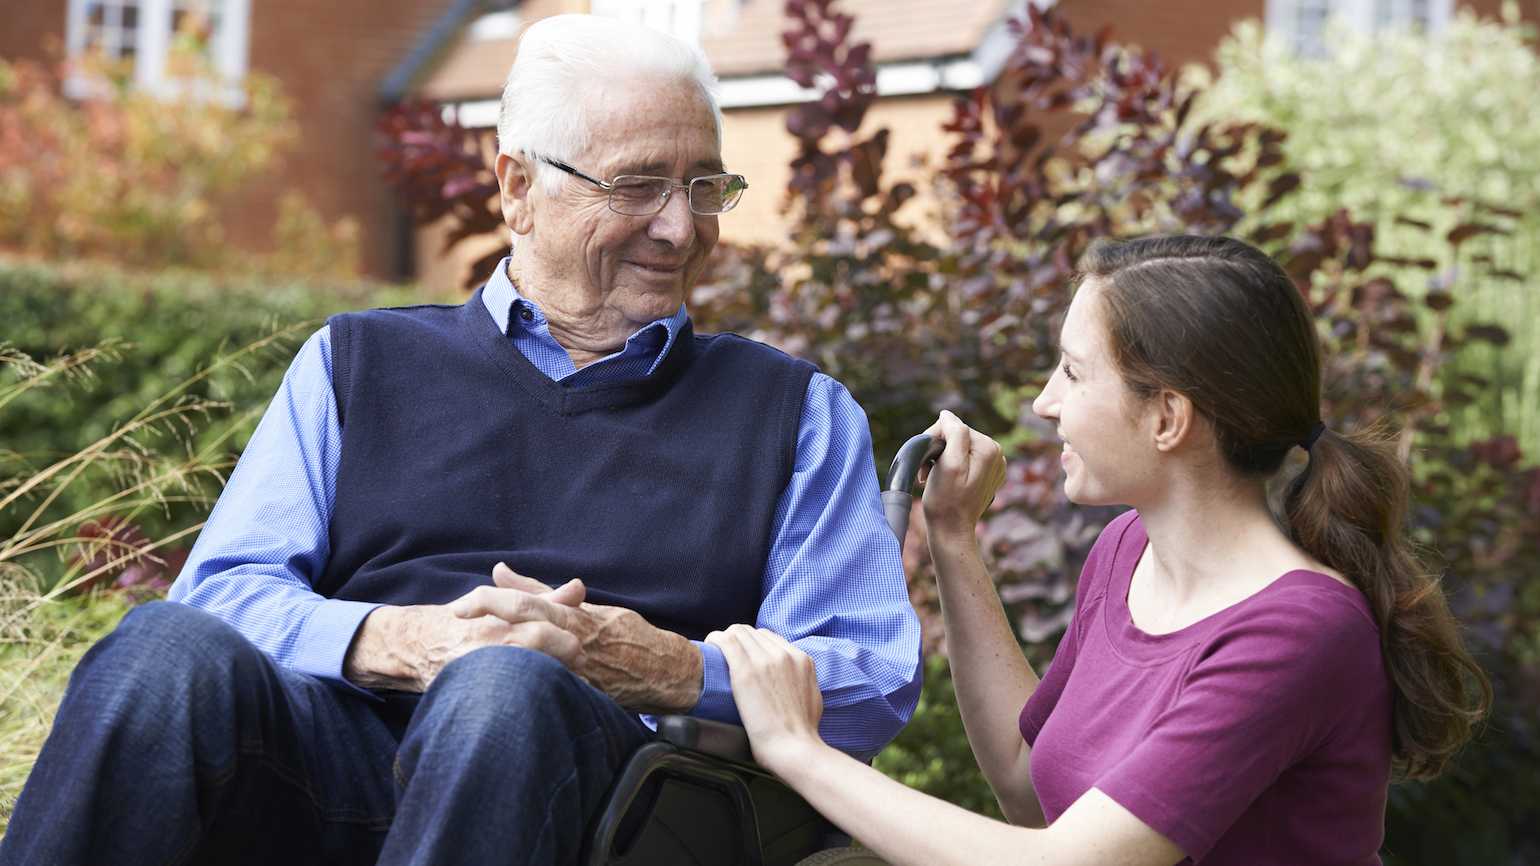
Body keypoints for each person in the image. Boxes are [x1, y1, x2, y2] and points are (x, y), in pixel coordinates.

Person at [0, 15, 922, 866]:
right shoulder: (357, 363)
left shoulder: (792, 410)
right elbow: (224, 593)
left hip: (610, 806)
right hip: (329, 762)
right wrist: (396, 639)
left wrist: (670, 667)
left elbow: (870, 682)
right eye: (638, 185)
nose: (681, 227)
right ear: (517, 187)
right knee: (161, 649)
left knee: (502, 689)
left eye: (704, 186)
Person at [710, 235, 1491, 866]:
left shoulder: (1297, 632)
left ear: (1167, 418)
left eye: (1074, 372)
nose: (1046, 403)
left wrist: (797, 750)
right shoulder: (1126, 552)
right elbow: (1027, 784)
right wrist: (953, 538)